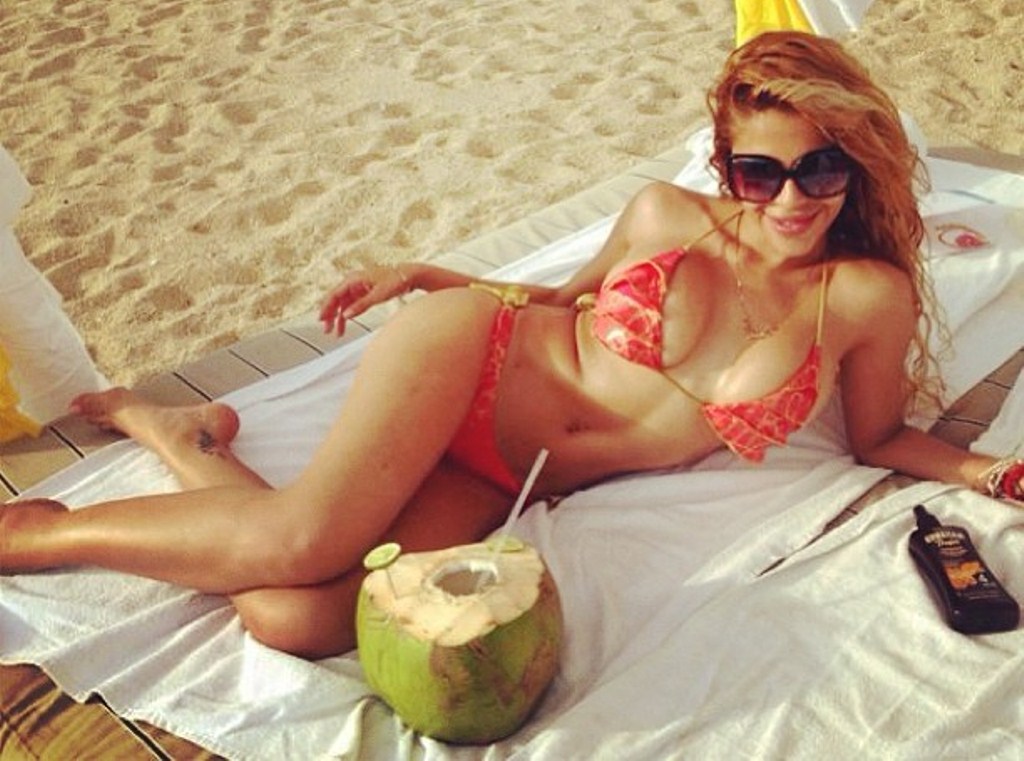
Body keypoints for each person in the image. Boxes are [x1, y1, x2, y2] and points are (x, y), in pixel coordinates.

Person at [2, 31, 1022, 659]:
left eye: (821, 169)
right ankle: (38, 532)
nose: (791, 198)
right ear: (727, 165)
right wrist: (430, 279)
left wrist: (991, 471)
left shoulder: (865, 296)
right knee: (298, 541)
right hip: (471, 357)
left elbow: (879, 436)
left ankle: (187, 440)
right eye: (761, 172)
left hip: (509, 476)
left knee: (294, 617)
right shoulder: (666, 214)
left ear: (856, 163)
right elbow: (558, 299)